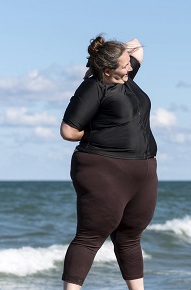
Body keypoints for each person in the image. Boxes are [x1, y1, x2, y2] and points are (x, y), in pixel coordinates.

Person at [60, 35, 158, 290]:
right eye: (124, 64)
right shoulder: (93, 87)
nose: (130, 67)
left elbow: (137, 45)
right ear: (106, 70)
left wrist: (114, 52)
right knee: (90, 236)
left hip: (142, 169)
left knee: (130, 236)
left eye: (128, 63)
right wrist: (102, 133)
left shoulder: (125, 77)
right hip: (103, 168)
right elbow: (68, 131)